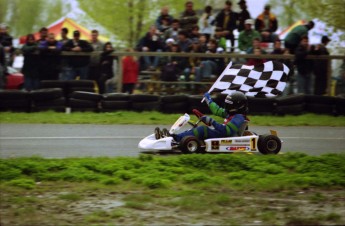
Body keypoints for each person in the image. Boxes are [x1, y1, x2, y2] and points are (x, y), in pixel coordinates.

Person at [156, 91, 249, 142]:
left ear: (238, 106)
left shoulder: (239, 117)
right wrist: (208, 99)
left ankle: (175, 138)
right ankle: (174, 136)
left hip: (226, 137)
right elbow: (216, 110)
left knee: (202, 130)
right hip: (221, 134)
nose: (227, 108)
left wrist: (212, 121)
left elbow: (227, 131)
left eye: (230, 105)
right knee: (195, 128)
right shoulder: (231, 113)